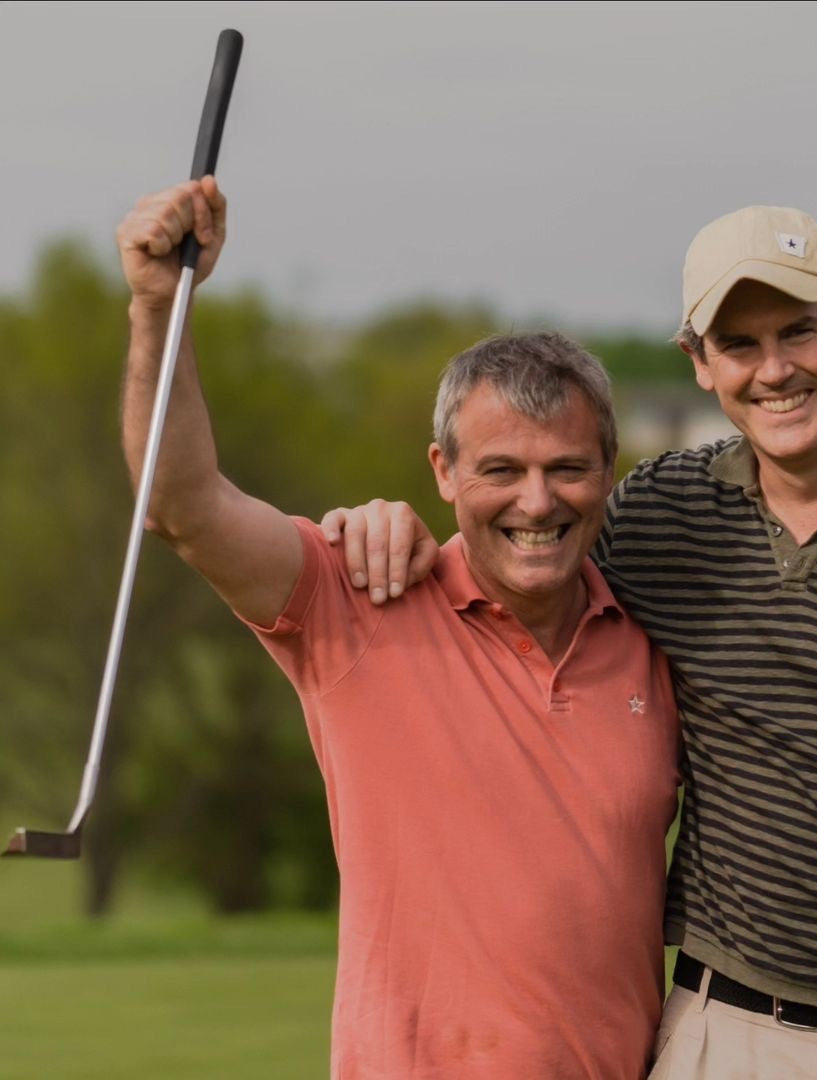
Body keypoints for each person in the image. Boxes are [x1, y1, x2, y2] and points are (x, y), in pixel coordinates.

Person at [327, 205, 817, 1079]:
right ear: (699, 364)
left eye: (798, 331)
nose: (774, 371)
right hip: (713, 1034)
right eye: (739, 345)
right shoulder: (656, 513)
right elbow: (524, 544)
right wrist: (388, 527)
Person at [116, 175, 680, 1080]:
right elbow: (180, 503)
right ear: (442, 471)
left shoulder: (654, 639)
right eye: (501, 469)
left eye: (567, 469)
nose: (538, 502)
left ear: (609, 469)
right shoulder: (354, 598)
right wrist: (157, 308)